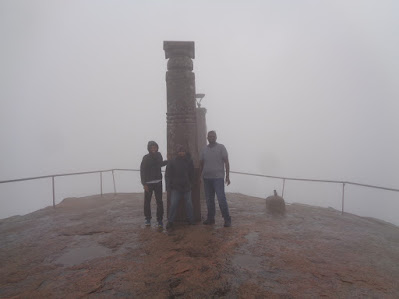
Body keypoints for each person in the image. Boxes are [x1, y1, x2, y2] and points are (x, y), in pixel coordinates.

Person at [200, 131, 231, 227]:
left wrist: (227, 176)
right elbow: (201, 163)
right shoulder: (204, 149)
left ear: (216, 137)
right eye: (209, 136)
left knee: (221, 199)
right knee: (209, 200)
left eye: (213, 136)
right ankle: (210, 218)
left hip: (218, 178)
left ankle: (227, 219)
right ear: (207, 138)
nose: (211, 137)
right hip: (206, 178)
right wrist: (199, 176)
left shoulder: (221, 147)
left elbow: (226, 162)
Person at [165, 145, 195, 229]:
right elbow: (167, 175)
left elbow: (192, 173)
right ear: (177, 152)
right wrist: (168, 187)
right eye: (179, 151)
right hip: (176, 187)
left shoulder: (189, 161)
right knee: (173, 204)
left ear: (185, 152)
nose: (181, 153)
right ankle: (170, 221)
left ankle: (191, 220)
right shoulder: (172, 161)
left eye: (183, 151)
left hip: (186, 187)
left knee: (189, 204)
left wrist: (191, 183)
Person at [140, 141, 167, 228]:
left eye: (155, 147)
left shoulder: (159, 155)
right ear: (149, 148)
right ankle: (148, 218)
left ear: (157, 148)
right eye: (152, 148)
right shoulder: (145, 158)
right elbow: (142, 171)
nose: (153, 149)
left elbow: (160, 164)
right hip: (148, 183)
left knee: (159, 201)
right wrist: (144, 183)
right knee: (147, 202)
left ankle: (160, 220)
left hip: (158, 182)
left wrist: (168, 161)